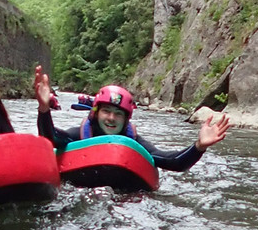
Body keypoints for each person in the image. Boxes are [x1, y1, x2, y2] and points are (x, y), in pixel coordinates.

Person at [33, 66, 229, 172]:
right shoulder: (80, 136)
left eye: (118, 114)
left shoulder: (133, 141)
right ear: (95, 113)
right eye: (106, 111)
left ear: (126, 120)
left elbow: (173, 162)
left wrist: (199, 146)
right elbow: (50, 139)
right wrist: (44, 109)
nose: (111, 118)